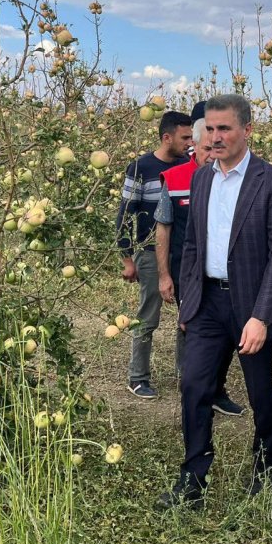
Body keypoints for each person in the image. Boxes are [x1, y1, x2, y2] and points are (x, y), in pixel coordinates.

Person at [157, 94, 272, 509]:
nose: (215, 137)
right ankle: (193, 482)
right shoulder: (202, 179)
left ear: (247, 131)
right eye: (210, 130)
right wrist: (188, 300)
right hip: (207, 304)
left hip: (251, 305)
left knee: (259, 392)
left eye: (224, 129)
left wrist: (261, 316)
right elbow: (193, 245)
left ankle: (267, 468)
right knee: (194, 386)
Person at [154, 105, 244, 417]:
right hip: (186, 274)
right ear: (195, 145)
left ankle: (215, 389)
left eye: (217, 146)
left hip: (225, 275)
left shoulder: (233, 178)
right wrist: (164, 275)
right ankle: (193, 389)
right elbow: (163, 228)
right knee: (192, 330)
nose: (212, 153)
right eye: (206, 147)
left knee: (228, 334)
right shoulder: (176, 178)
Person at [116, 110, 192, 399]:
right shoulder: (141, 168)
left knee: (189, 316)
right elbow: (125, 214)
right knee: (148, 317)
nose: (189, 143)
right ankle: (137, 377)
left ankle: (186, 375)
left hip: (183, 254)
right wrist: (126, 257)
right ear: (166, 137)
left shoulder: (188, 166)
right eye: (185, 137)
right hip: (149, 253)